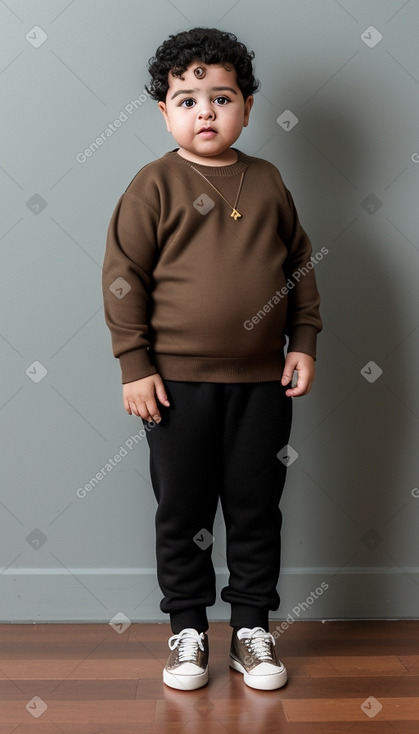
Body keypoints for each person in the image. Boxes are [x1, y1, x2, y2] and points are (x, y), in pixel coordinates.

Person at [102, 27, 322, 692]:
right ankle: (189, 629)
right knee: (183, 511)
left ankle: (251, 630)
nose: (206, 112)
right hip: (173, 388)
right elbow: (123, 277)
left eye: (221, 97)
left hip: (260, 383)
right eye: (188, 99)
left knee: (256, 507)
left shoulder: (267, 180)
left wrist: (303, 342)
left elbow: (299, 269)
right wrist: (133, 364)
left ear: (247, 107)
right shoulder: (154, 185)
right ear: (165, 111)